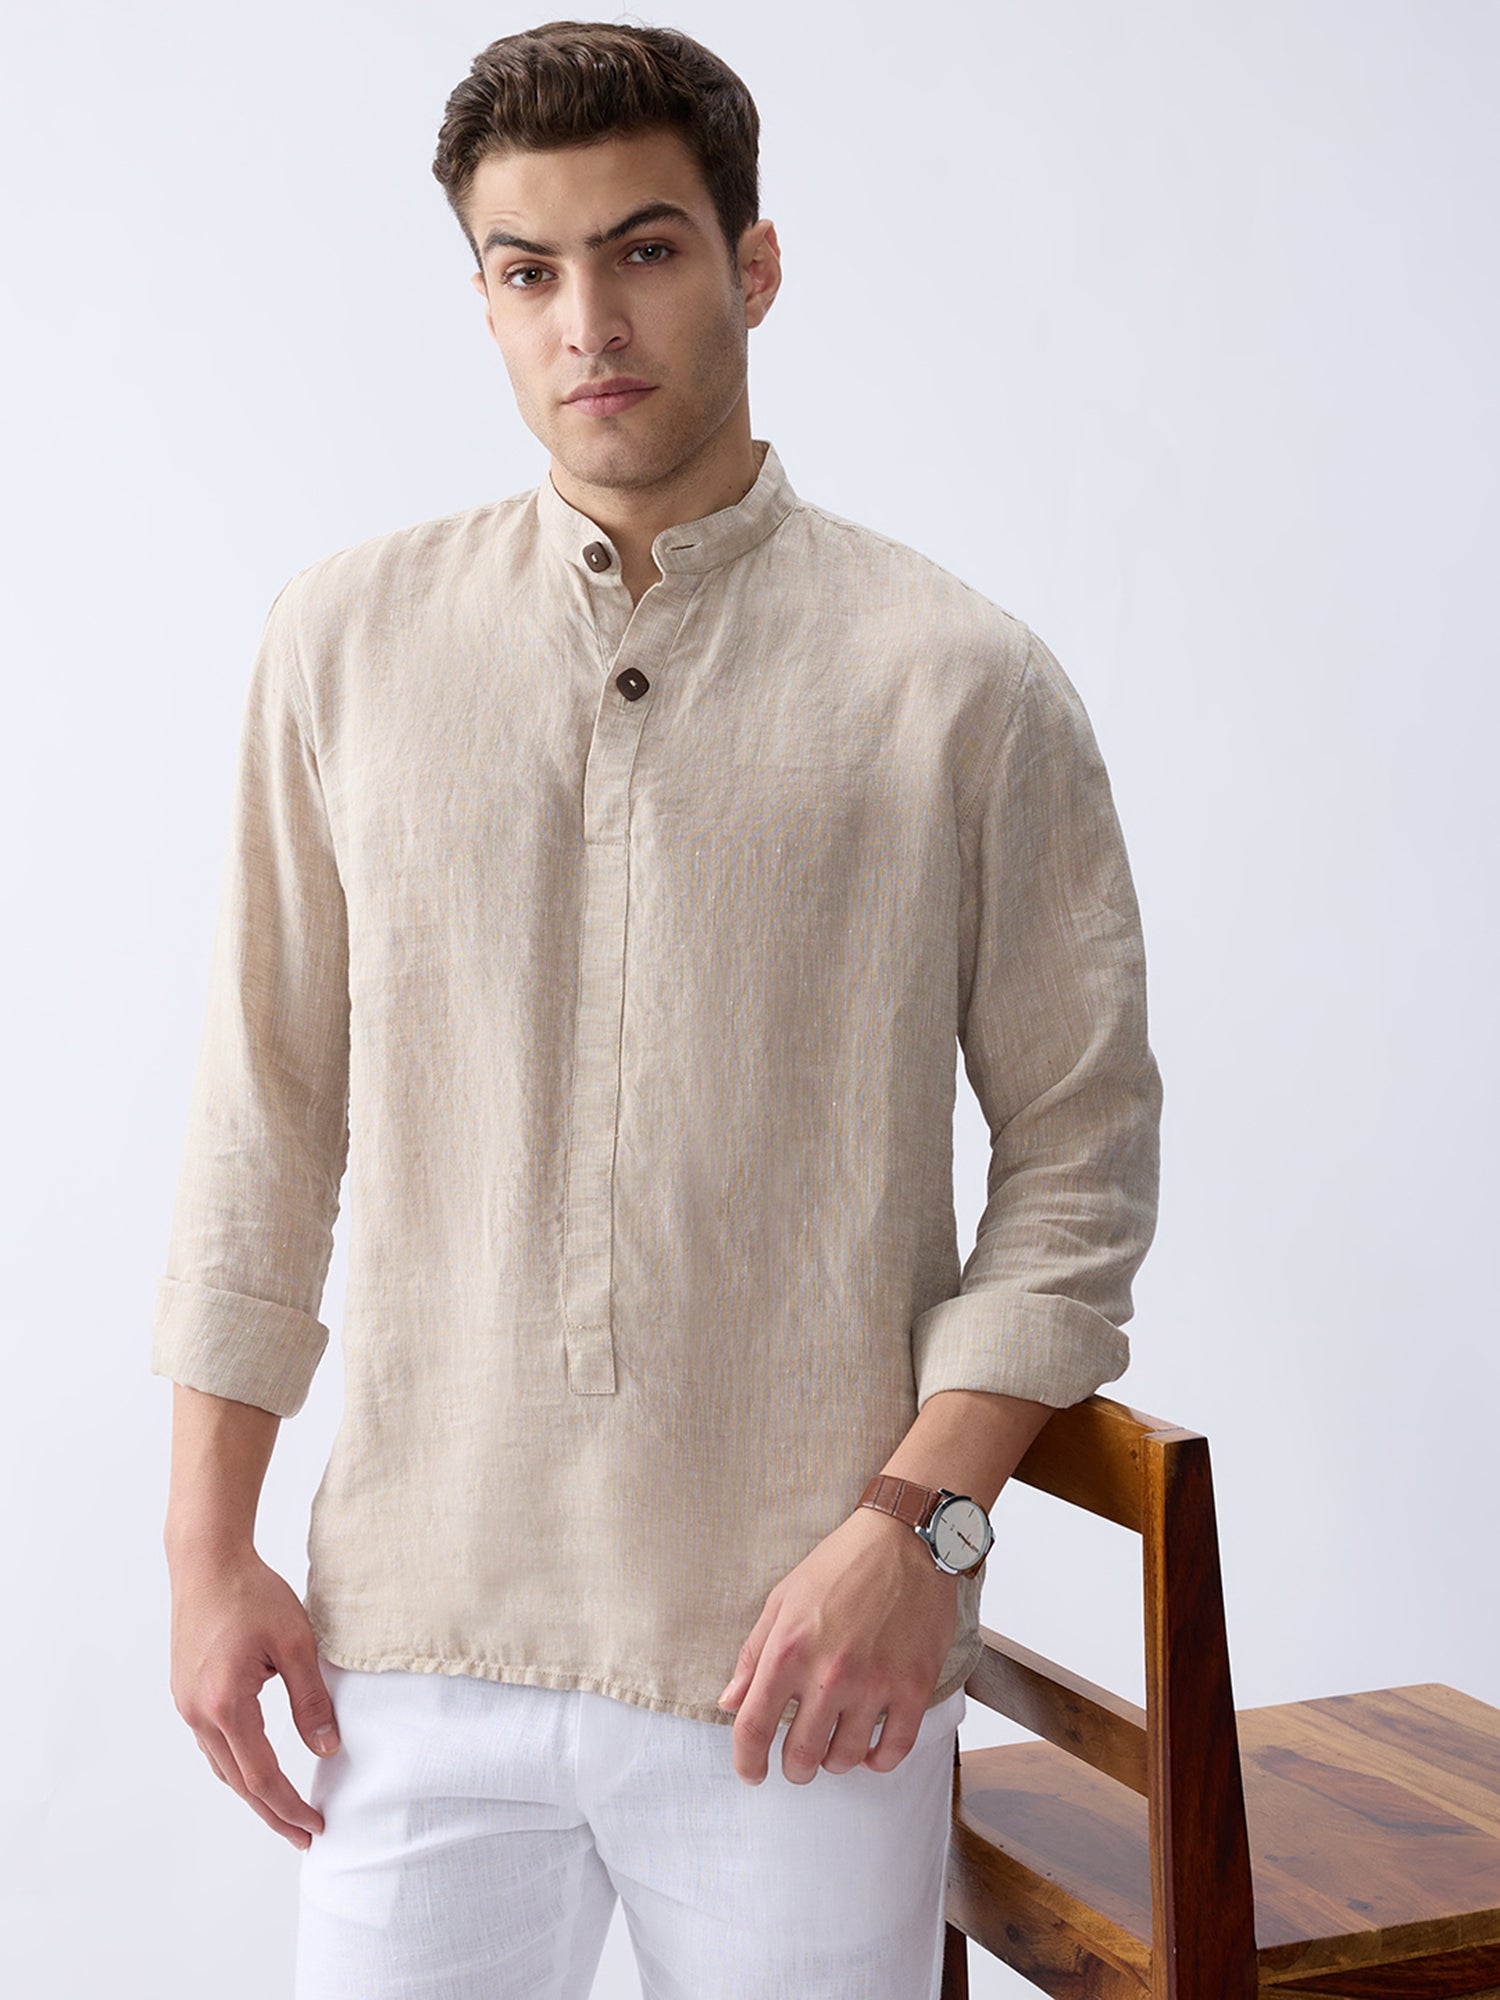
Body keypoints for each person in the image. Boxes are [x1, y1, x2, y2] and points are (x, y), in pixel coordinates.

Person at [151, 20, 1163, 1999]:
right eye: (527, 269)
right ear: (482, 298)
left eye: (645, 250)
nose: (588, 321)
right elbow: (260, 1120)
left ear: (752, 266)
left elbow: (1081, 1162)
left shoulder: (959, 680)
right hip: (414, 1641)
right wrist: (206, 1549)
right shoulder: (342, 644)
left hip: (807, 1657)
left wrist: (917, 1533)